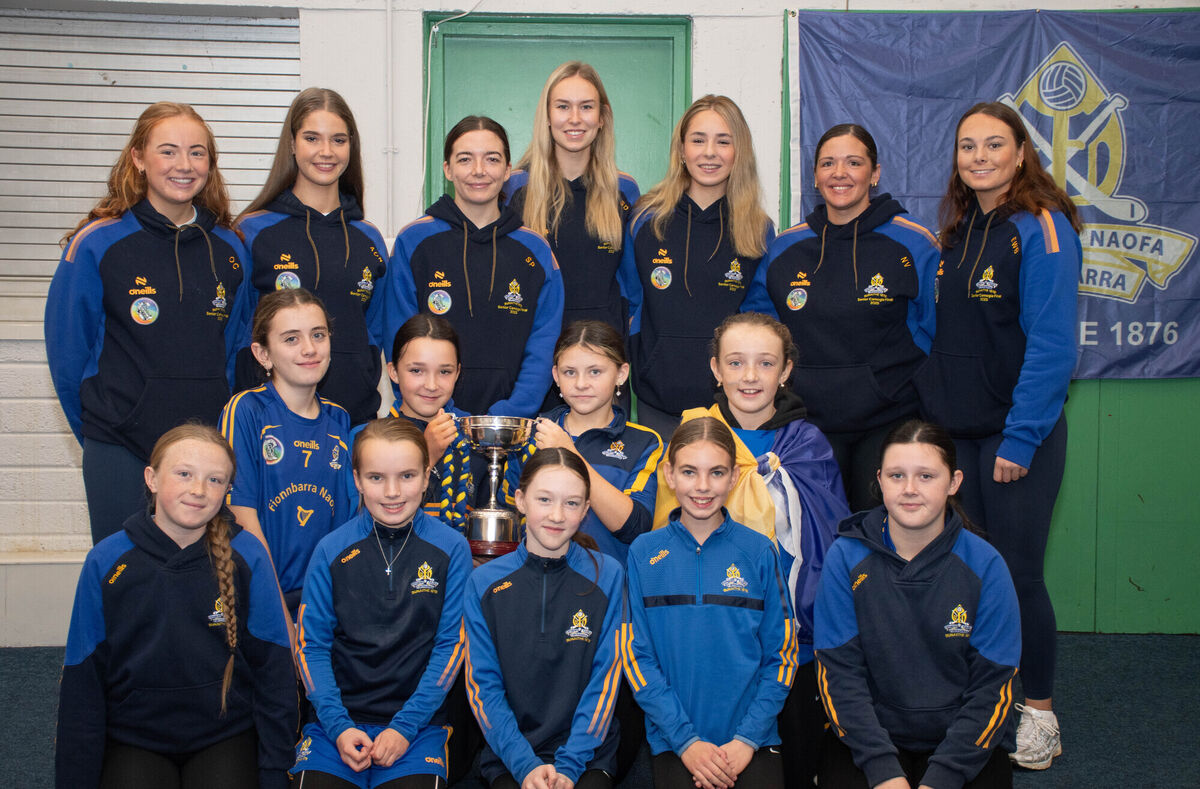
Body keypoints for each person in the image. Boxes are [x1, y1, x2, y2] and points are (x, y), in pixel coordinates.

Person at [916, 101, 1082, 771]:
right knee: (967, 575)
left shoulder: (1042, 226)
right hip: (958, 436)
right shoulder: (959, 233)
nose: (979, 156)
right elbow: (939, 333)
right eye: (967, 146)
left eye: (993, 145)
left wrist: (1021, 437)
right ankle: (983, 700)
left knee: (1017, 576)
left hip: (1015, 439)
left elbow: (1053, 344)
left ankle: (1038, 712)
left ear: (1020, 154)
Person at [655, 312, 850, 787]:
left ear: (785, 371)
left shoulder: (807, 445)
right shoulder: (693, 438)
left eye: (765, 363)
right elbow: (665, 534)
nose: (749, 376)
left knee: (796, 766)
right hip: (710, 638)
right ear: (716, 369)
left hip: (792, 641)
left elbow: (831, 538)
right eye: (735, 362)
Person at [45, 102, 247, 543]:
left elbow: (234, 352)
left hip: (205, 452)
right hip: (120, 449)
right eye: (168, 151)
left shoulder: (231, 248)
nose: (184, 165)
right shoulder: (97, 243)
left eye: (197, 152)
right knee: (124, 575)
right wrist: (104, 430)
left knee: (204, 577)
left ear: (210, 164)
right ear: (138, 158)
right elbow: (68, 358)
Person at [56, 423, 297, 789]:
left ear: (227, 491)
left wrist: (275, 772)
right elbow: (82, 682)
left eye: (215, 480)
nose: (199, 490)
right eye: (184, 474)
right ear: (151, 478)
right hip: (134, 737)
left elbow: (274, 674)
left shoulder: (248, 556)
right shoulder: (106, 561)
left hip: (224, 734)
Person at [742, 123, 939, 512]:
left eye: (854, 163)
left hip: (889, 421)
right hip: (805, 425)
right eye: (828, 163)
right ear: (815, 176)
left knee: (878, 535)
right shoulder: (786, 248)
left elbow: (935, 333)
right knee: (816, 535)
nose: (840, 173)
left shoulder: (914, 243)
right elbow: (758, 333)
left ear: (875, 173)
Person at [814, 419, 1021, 789]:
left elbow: (993, 689)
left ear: (954, 482)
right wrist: (883, 771)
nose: (909, 489)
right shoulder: (845, 557)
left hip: (960, 740)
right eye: (897, 476)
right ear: (880, 481)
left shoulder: (985, 564)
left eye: (926, 476)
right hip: (870, 736)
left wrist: (943, 777)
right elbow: (839, 675)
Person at [293, 418, 472, 787]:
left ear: (427, 476)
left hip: (417, 727)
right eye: (376, 477)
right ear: (357, 480)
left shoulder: (452, 548)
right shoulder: (330, 550)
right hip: (334, 724)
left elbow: (450, 646)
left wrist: (404, 728)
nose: (392, 492)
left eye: (407, 476)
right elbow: (312, 647)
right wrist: (339, 727)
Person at [624, 417, 796, 789]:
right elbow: (637, 658)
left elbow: (781, 654)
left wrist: (747, 738)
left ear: (733, 477)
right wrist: (685, 741)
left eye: (716, 472)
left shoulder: (759, 551)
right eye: (689, 471)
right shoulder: (643, 553)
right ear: (669, 475)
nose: (702, 486)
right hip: (675, 743)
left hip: (753, 742)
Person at [464, 448, 625, 789]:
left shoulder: (608, 575)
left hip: (586, 755)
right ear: (520, 500)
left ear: (585, 509)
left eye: (571, 503)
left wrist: (569, 765)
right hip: (510, 753)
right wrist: (524, 765)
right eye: (544, 499)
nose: (557, 515)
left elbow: (605, 681)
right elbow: (483, 686)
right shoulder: (483, 582)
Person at [383, 115, 565, 418]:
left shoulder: (535, 250)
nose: (478, 170)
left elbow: (544, 342)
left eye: (491, 159)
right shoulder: (414, 241)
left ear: (507, 170)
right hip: (433, 418)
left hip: (514, 423)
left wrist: (513, 411)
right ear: (448, 169)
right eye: (465, 159)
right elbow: (398, 337)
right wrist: (443, 411)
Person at [232, 88, 389, 426]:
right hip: (271, 422)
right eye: (312, 138)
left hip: (355, 421)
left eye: (338, 140)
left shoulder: (369, 238)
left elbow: (375, 333)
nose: (326, 151)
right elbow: (236, 332)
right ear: (292, 144)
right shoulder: (251, 231)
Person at [620, 95, 774, 437]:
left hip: (731, 406)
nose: (709, 153)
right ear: (681, 149)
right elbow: (629, 301)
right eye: (698, 140)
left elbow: (760, 319)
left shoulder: (757, 228)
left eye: (723, 141)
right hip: (656, 398)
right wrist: (645, 362)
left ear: (739, 151)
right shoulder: (645, 219)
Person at [507, 62, 641, 414]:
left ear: (602, 117)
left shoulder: (624, 190)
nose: (575, 118)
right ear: (547, 116)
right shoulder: (514, 188)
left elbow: (633, 288)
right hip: (533, 362)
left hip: (601, 364)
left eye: (586, 107)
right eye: (563, 106)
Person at [220, 288, 355, 616]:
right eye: (291, 339)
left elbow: (346, 522)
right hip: (263, 595)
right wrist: (278, 612)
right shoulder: (246, 410)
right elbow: (241, 514)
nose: (309, 348)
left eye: (318, 335)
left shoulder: (339, 419)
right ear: (263, 354)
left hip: (323, 598)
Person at [504, 320, 663, 567]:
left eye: (595, 372)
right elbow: (509, 516)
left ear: (621, 374)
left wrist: (569, 452)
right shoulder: (530, 435)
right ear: (556, 375)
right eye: (570, 372)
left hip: (608, 583)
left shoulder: (644, 442)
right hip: (535, 581)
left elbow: (634, 528)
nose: (581, 383)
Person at [359, 313, 480, 534]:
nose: (431, 385)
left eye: (444, 371)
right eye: (416, 371)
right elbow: (362, 527)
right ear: (393, 372)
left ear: (457, 373)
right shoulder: (366, 439)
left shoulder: (474, 436)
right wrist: (426, 455)